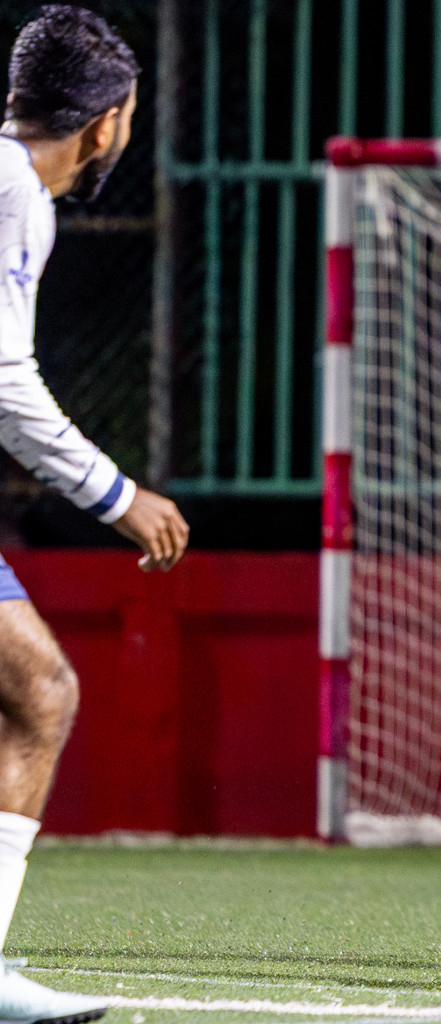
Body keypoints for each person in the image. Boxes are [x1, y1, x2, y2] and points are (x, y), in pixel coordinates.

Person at [0, 7, 189, 1021]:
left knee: (34, 693)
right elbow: (5, 382)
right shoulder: (15, 193)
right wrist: (117, 495)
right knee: (39, 691)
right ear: (109, 121)